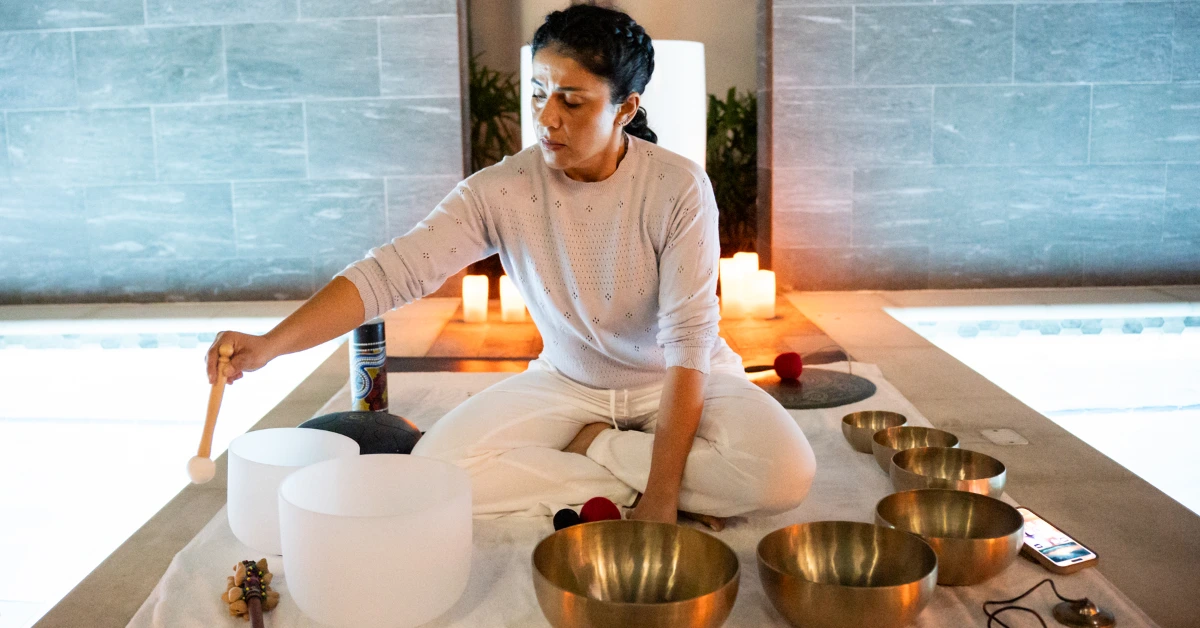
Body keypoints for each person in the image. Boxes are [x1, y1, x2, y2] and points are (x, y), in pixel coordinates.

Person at [206, 5, 815, 529]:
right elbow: (392, 272)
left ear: (627, 107)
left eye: (571, 100)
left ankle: (606, 458)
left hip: (680, 381)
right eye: (537, 93)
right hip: (566, 385)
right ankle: (608, 451)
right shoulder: (502, 188)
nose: (546, 117)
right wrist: (270, 344)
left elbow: (687, 346)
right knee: (437, 473)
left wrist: (660, 501)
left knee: (786, 475)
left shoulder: (677, 185)